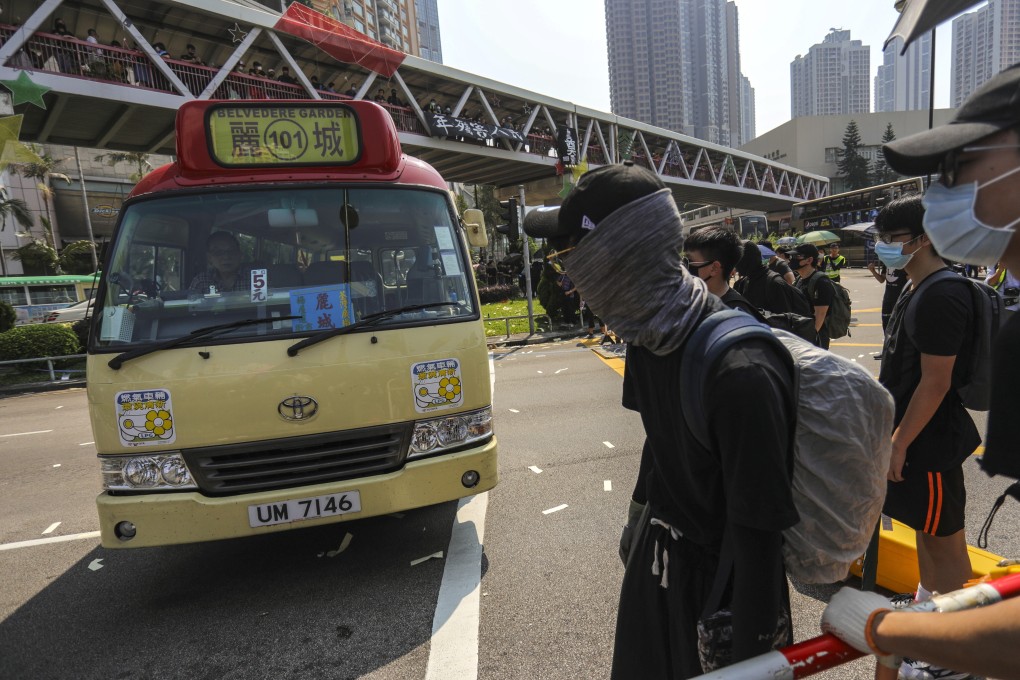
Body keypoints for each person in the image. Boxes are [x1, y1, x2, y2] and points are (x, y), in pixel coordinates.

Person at [545, 161, 798, 678]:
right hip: (658, 559)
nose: (566, 271)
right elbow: (658, 446)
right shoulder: (648, 338)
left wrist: (750, 663)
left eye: (571, 252)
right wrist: (638, 517)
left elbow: (760, 539)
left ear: (614, 255)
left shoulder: (740, 371)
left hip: (723, 590)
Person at [821, 63, 1020, 678]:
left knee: (944, 543)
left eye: (956, 170)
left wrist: (888, 627)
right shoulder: (952, 296)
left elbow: (935, 380)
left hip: (930, 443)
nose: (941, 195)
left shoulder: (944, 294)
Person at [684, 227, 762, 320]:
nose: (683, 266)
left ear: (714, 268)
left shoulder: (735, 317)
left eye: (688, 261)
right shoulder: (697, 301)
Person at [791, 243, 835, 349]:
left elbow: (820, 315)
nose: (792, 260)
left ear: (809, 260)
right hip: (801, 335)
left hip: (814, 340)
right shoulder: (799, 279)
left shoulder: (821, 282)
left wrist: (808, 340)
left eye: (797, 257)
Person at [868, 259, 908, 332]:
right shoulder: (887, 263)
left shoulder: (904, 263)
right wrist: (873, 271)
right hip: (888, 297)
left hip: (900, 297)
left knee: (899, 322)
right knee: (886, 321)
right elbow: (881, 280)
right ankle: (887, 340)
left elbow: (910, 279)